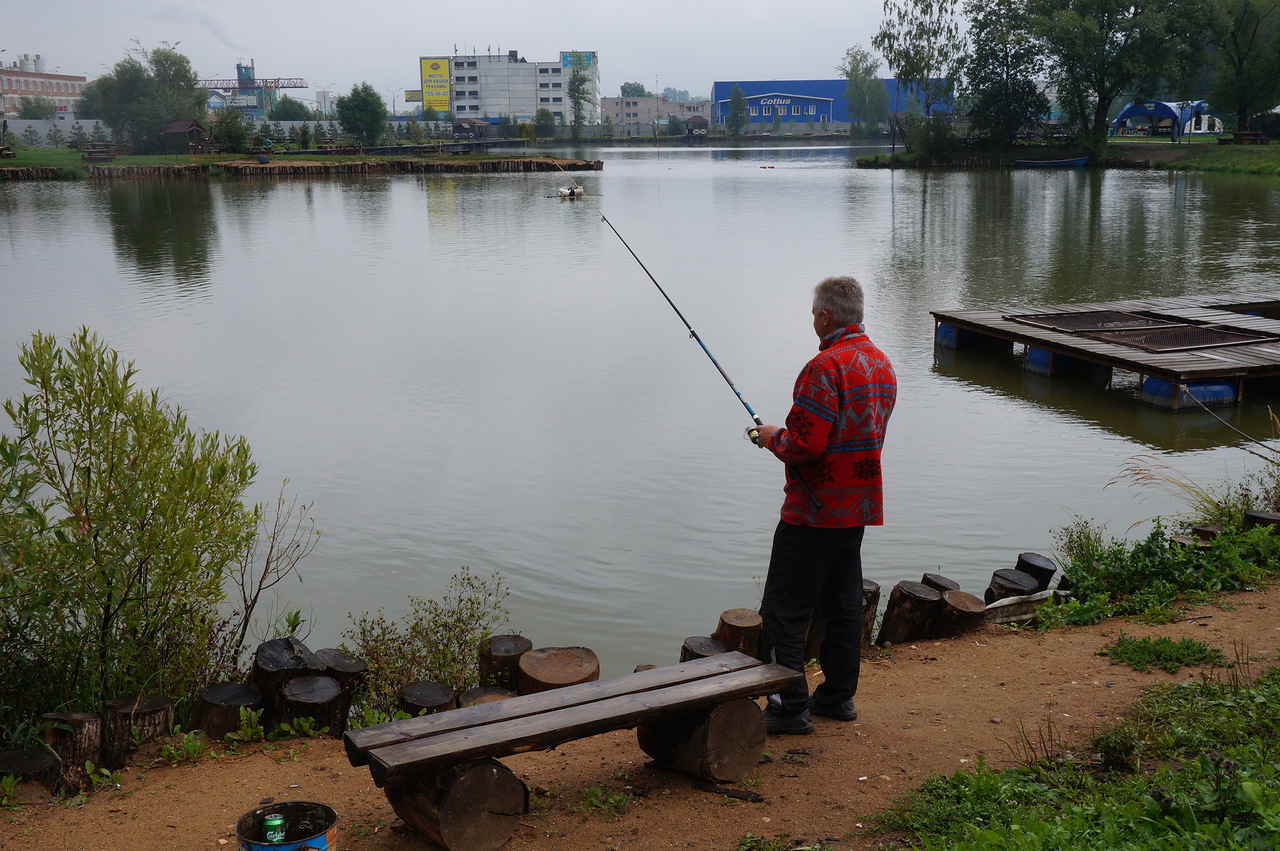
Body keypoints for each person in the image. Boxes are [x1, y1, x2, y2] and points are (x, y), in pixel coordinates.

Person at [751, 275, 897, 735]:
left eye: (814, 313)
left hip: (813, 510)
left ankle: (789, 706)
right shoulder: (881, 362)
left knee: (784, 609)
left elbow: (806, 446)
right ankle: (837, 697)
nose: (812, 320)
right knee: (841, 603)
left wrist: (772, 438)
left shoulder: (823, 368)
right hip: (856, 508)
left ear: (825, 316)